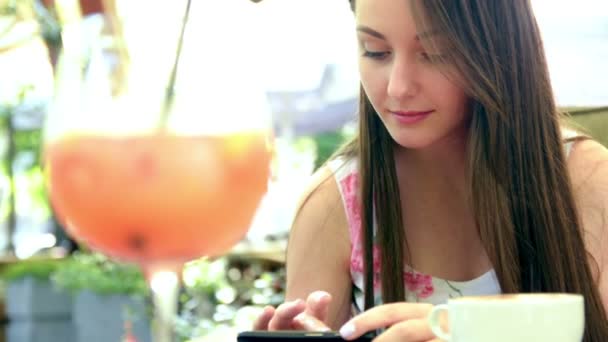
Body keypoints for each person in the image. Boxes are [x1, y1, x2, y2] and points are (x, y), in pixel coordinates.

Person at [254, 0, 608, 340]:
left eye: (435, 53)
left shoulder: (587, 181)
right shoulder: (333, 205)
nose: (398, 87)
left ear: (497, 44)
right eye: (375, 50)